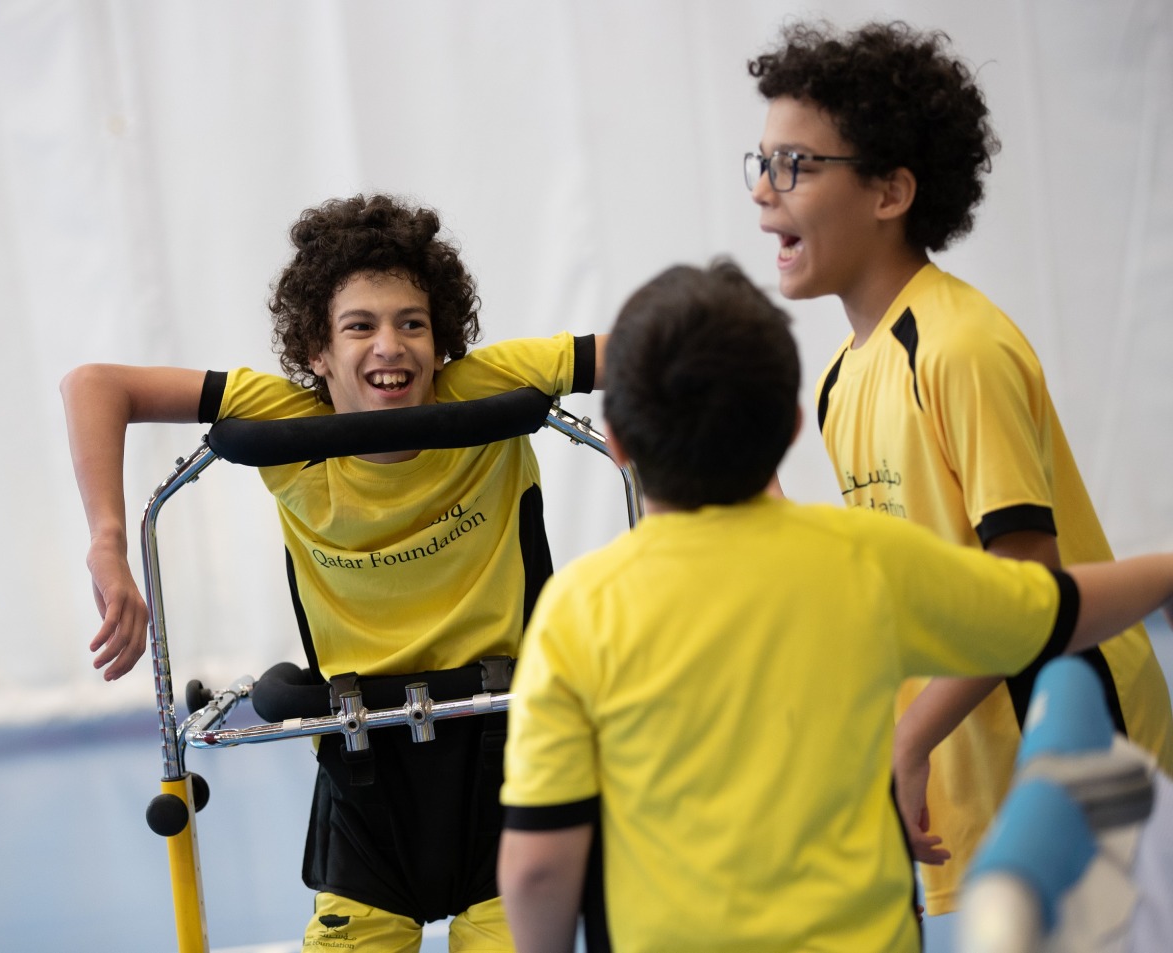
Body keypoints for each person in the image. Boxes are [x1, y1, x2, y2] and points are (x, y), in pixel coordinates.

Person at [496, 259, 1173, 953]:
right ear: (792, 428)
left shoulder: (576, 612)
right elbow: (1047, 607)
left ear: (618, 441)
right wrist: (1165, 574)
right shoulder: (861, 559)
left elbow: (537, 865)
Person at [60, 192, 604, 952]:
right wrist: (108, 543)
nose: (391, 345)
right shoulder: (288, 422)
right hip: (363, 776)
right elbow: (94, 384)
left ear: (440, 339)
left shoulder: (485, 389)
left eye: (412, 323)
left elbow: (655, 350)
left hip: (512, 755)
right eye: (360, 326)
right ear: (317, 350)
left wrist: (641, 427)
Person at [745, 20, 1173, 915]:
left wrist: (910, 736)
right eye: (760, 161)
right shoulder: (836, 378)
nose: (762, 191)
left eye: (795, 165)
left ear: (891, 189)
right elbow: (916, 572)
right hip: (970, 767)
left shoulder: (960, 347)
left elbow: (1023, 581)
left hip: (1076, 747)